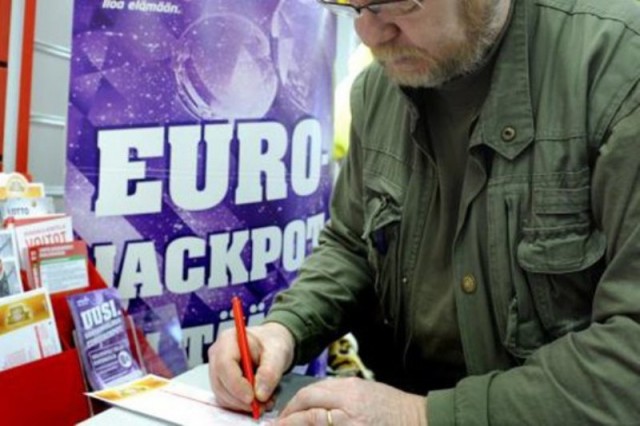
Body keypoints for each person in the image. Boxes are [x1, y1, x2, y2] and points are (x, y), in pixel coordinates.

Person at [208, 0, 640, 424]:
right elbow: (353, 246)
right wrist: (285, 329)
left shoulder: (617, 66)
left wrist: (419, 416)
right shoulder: (377, 90)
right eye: (350, 8)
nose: (367, 34)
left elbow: (631, 350)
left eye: (394, 5)